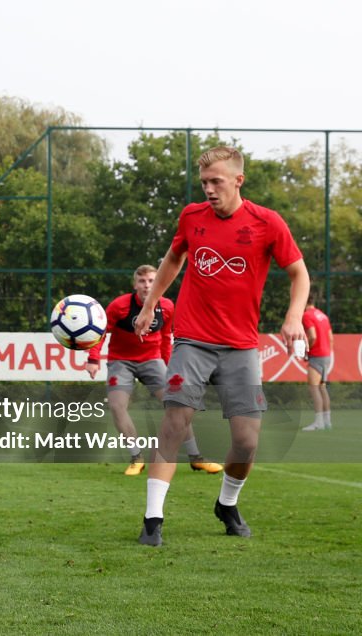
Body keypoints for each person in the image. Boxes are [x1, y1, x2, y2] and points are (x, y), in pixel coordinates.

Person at [133, 146, 308, 547]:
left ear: (238, 181)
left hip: (242, 347)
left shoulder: (267, 223)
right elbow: (173, 260)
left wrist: (293, 317)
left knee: (247, 440)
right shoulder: (192, 217)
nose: (209, 190)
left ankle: (226, 504)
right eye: (205, 183)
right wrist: (150, 304)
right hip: (192, 340)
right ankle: (152, 519)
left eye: (217, 182)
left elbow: (299, 274)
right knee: (175, 423)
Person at [85, 265, 222, 476]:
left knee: (179, 404)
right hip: (121, 362)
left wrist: (169, 365)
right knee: (116, 406)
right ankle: (136, 458)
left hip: (152, 361)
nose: (147, 285)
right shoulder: (118, 306)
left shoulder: (167, 307)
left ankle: (196, 458)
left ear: (158, 282)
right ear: (135, 284)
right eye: (142, 281)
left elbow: (167, 337)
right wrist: (93, 358)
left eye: (151, 280)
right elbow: (101, 333)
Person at [300, 296, 333, 431]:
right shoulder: (323, 316)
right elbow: (331, 338)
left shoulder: (307, 315)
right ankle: (327, 422)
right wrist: (327, 352)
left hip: (317, 355)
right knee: (322, 388)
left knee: (314, 388)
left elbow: (312, 336)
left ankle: (318, 422)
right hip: (326, 355)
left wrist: (308, 351)